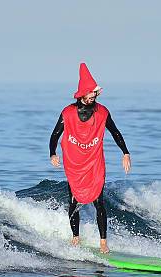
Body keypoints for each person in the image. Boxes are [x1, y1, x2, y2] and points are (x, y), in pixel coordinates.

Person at [49, 63, 131, 253]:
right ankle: (75, 238)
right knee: (73, 201)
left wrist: (125, 152)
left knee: (98, 201)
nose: (93, 98)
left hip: (94, 162)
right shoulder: (68, 113)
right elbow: (55, 135)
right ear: (82, 95)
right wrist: (52, 153)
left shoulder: (102, 112)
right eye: (91, 95)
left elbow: (115, 132)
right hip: (74, 162)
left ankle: (103, 242)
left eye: (95, 95)